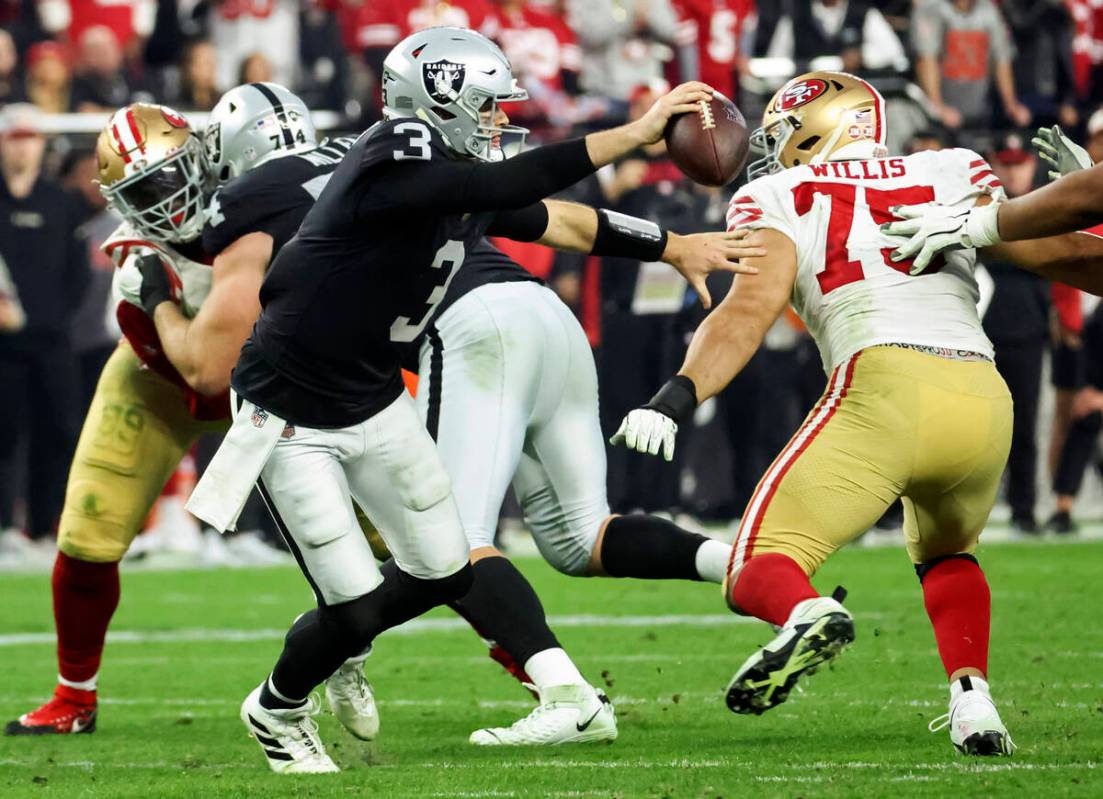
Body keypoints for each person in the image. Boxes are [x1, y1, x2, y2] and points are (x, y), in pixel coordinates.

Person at [186, 27, 751, 774]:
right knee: (355, 608)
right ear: (436, 102)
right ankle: (276, 706)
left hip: (374, 398)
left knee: (445, 568)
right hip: (289, 409)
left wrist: (668, 244)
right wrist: (639, 133)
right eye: (484, 106)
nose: (495, 122)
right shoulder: (392, 163)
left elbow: (557, 220)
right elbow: (508, 187)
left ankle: (335, 652)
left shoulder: (449, 177)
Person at [614, 71, 1020, 756]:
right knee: (948, 551)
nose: (772, 152)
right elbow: (1062, 253)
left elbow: (747, 308)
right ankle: (972, 702)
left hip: (885, 384)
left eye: (779, 136)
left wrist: (676, 395)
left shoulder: (777, 192)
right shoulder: (948, 167)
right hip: (983, 396)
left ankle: (809, 611)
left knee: (754, 564)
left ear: (816, 128)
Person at [3, 87, 355, 736]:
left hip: (274, 376)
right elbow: (196, 382)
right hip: (163, 378)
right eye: (143, 190)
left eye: (171, 173)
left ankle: (510, 658)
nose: (163, 197)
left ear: (204, 157)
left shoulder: (256, 199)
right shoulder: (136, 255)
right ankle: (74, 695)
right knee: (87, 532)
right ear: (114, 204)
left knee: (398, 537)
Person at [0, 103, 89, 568]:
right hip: (2, 346)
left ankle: (40, 526)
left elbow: (79, 275)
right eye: (15, 137)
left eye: (30, 137)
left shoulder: (60, 202)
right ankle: (2, 528)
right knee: (3, 436)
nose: (23, 146)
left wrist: (54, 318)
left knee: (56, 432)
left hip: (52, 342)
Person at [978, 133, 1049, 534]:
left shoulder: (1048, 208)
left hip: (1026, 331)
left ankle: (1024, 508)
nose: (1011, 170)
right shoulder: (974, 204)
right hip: (973, 334)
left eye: (1018, 162)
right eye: (1004, 163)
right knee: (966, 430)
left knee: (1023, 426)